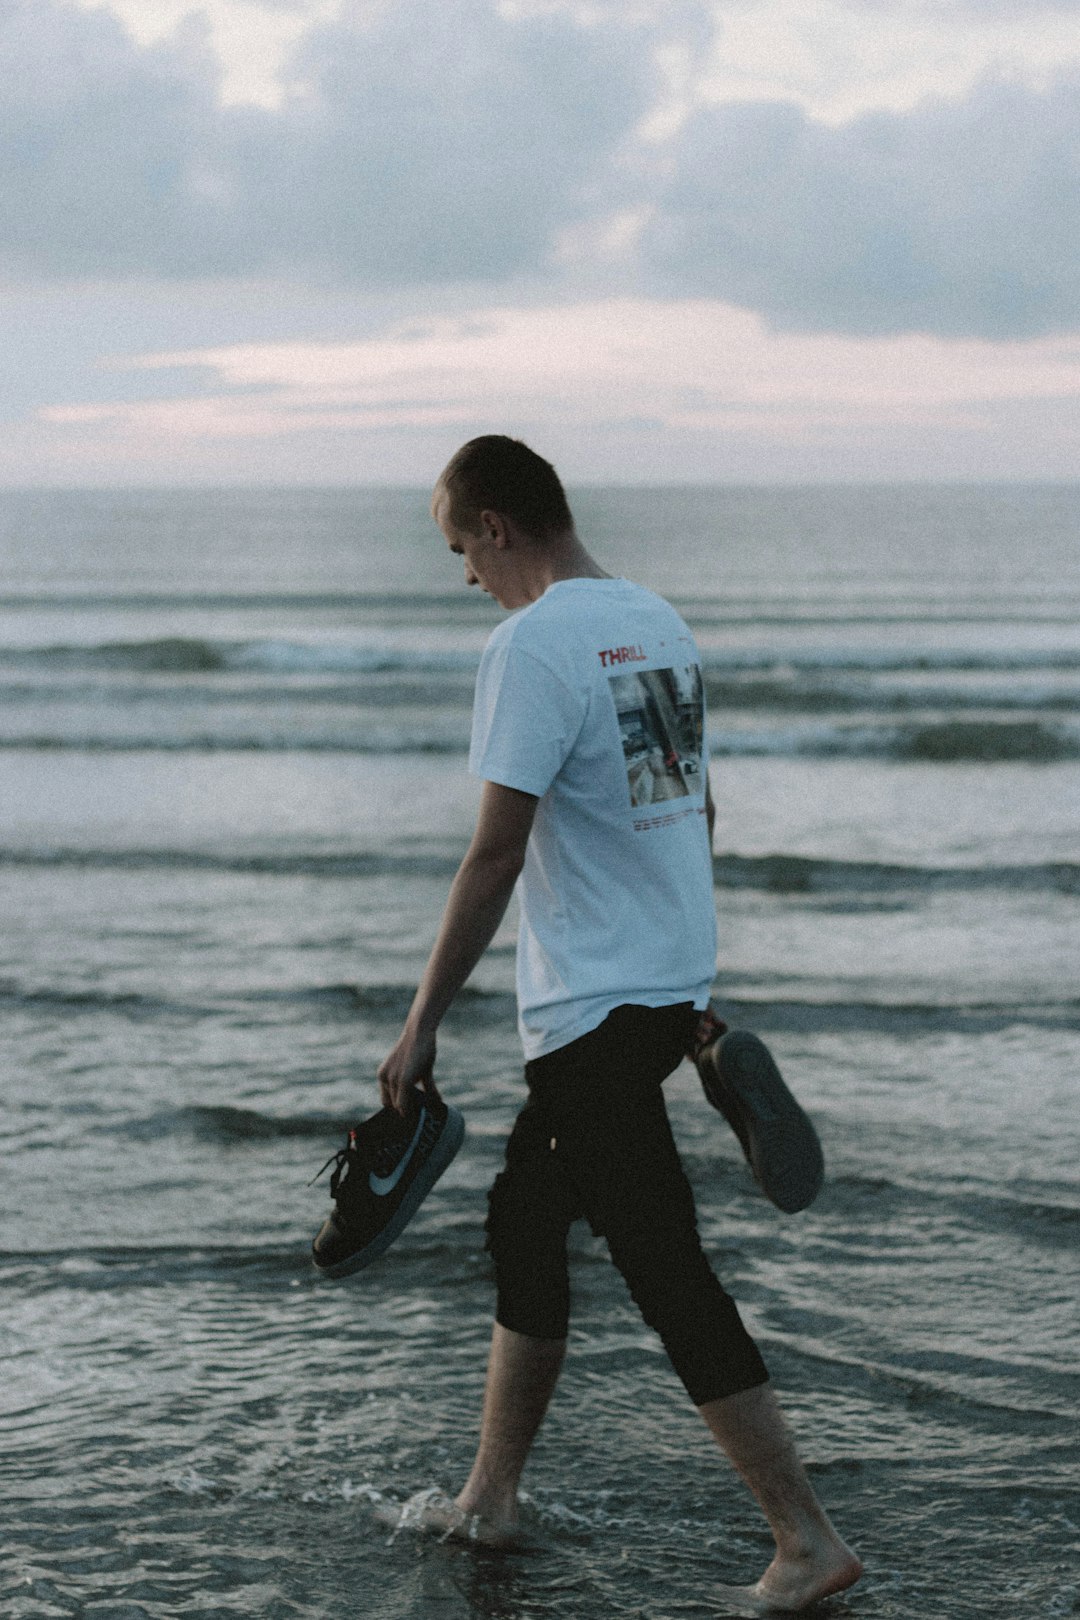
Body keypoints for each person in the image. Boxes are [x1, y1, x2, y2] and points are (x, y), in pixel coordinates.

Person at [376, 436, 861, 1613]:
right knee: (529, 1224)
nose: (464, 579)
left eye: (459, 549)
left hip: (592, 1010)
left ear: (496, 524)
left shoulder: (531, 645)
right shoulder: (656, 622)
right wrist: (692, 985)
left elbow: (495, 854)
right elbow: (691, 807)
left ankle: (806, 1540)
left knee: (662, 1260)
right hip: (659, 989)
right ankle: (491, 1498)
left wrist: (420, 1022)